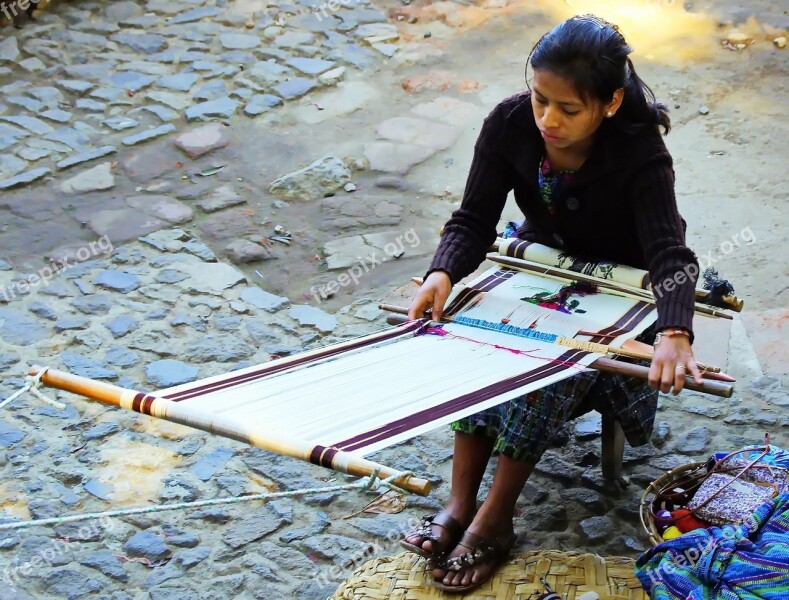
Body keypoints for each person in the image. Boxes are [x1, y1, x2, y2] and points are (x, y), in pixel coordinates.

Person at [400, 14, 704, 593]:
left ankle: (496, 520)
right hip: (543, 270)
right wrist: (442, 271)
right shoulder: (509, 123)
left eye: (568, 109)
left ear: (610, 103)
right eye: (541, 100)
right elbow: (472, 219)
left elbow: (670, 254)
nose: (548, 120)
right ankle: (460, 503)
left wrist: (674, 334)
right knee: (478, 335)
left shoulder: (640, 156)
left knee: (551, 370)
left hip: (624, 300)